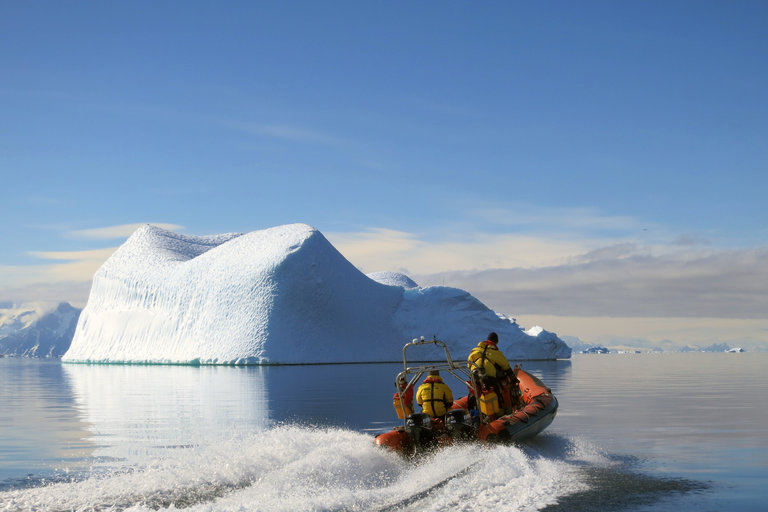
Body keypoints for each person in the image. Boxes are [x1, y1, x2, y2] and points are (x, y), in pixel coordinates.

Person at [467, 332, 513, 408]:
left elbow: (469, 364)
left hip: (474, 374)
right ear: (496, 342)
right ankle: (500, 410)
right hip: (489, 377)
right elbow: (506, 366)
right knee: (496, 393)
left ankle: (472, 410)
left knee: (474, 392)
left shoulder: (475, 351)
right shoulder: (496, 353)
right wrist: (513, 377)